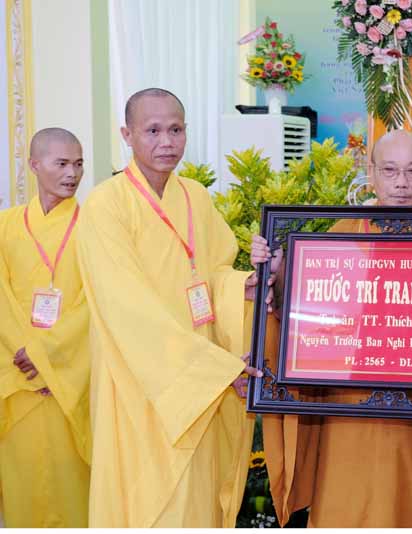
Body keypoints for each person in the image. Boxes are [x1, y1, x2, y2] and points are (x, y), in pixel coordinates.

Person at [253, 129, 412, 528]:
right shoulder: (343, 232)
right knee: (345, 501)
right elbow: (307, 317)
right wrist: (278, 273)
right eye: (390, 171)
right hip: (349, 401)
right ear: (371, 173)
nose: (401, 183)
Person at [75, 88, 260, 527]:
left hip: (201, 372)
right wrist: (213, 370)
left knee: (196, 497)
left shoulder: (195, 196)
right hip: (139, 376)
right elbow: (125, 306)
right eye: (153, 131)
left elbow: (213, 271)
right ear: (127, 135)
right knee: (150, 500)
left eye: (175, 130)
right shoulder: (105, 204)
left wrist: (243, 286)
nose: (166, 142)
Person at [0, 128, 90, 527]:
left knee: (74, 490)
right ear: (34, 165)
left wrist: (49, 353)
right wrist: (26, 354)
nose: (72, 173)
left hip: (70, 379)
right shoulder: (5, 225)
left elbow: (98, 302)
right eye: (62, 163)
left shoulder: (94, 227)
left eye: (79, 164)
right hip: (17, 376)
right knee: (23, 488)